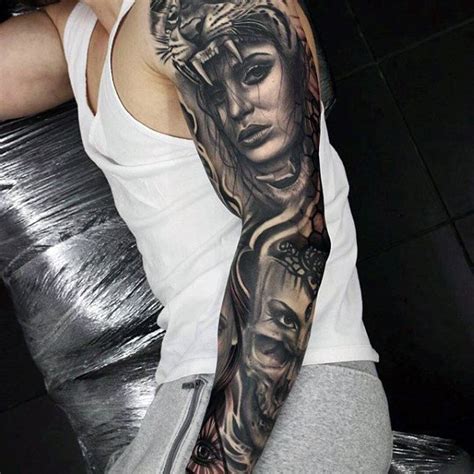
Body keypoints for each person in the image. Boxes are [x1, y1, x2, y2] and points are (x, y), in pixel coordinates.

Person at [0, 0, 393, 472]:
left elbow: (294, 234)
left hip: (293, 390)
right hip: (196, 389)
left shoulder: (201, 10)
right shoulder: (83, 31)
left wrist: (215, 466)